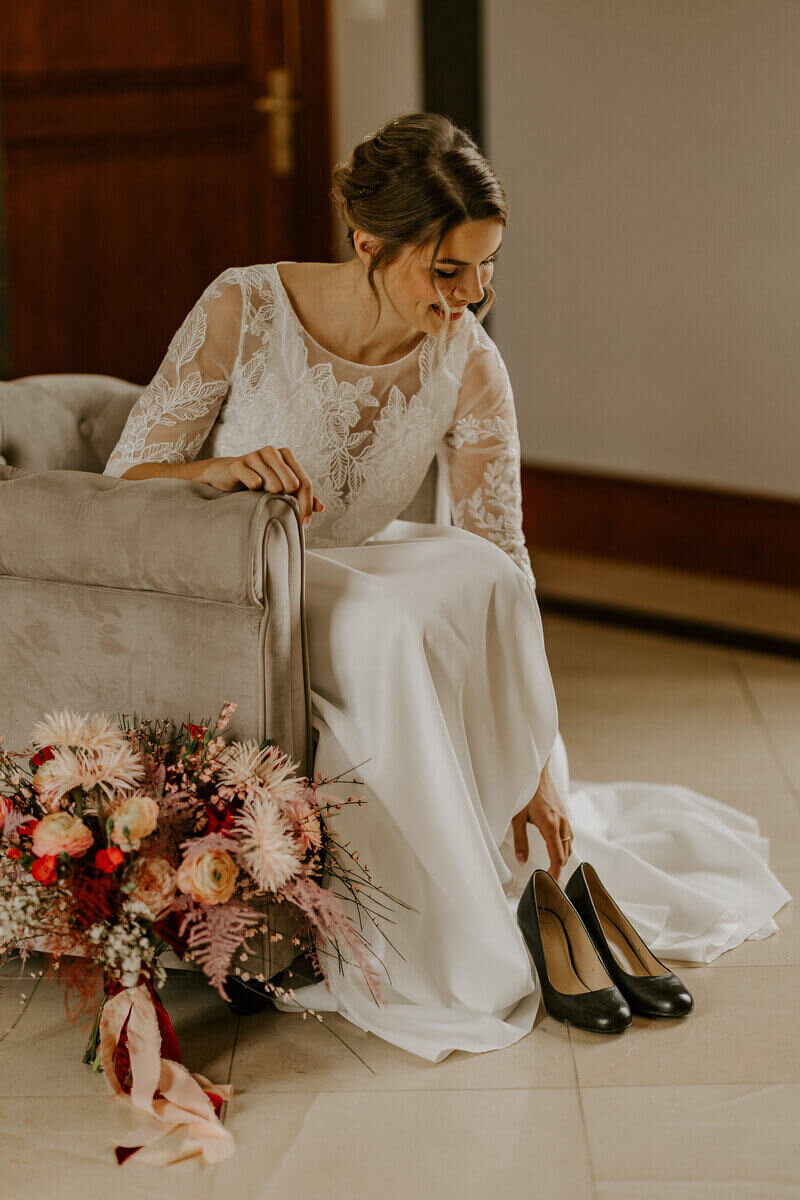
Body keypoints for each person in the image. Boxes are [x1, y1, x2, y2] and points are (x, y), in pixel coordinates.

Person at [103, 112, 790, 1062]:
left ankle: (526, 856)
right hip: (243, 574)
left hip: (357, 557)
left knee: (482, 580)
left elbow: (503, 549)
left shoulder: (468, 361)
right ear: (368, 244)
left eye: (488, 268)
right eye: (448, 271)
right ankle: (455, 938)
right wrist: (217, 473)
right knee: (392, 619)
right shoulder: (245, 308)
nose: (474, 297)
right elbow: (122, 483)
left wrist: (541, 759)